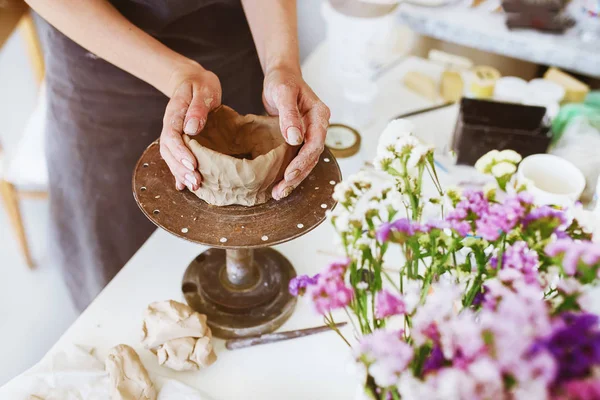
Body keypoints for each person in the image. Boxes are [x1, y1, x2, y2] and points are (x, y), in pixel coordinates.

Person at [26, 0, 330, 311]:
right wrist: (177, 75)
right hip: (103, 65)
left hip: (231, 46)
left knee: (244, 241)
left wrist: (281, 64)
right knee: (124, 296)